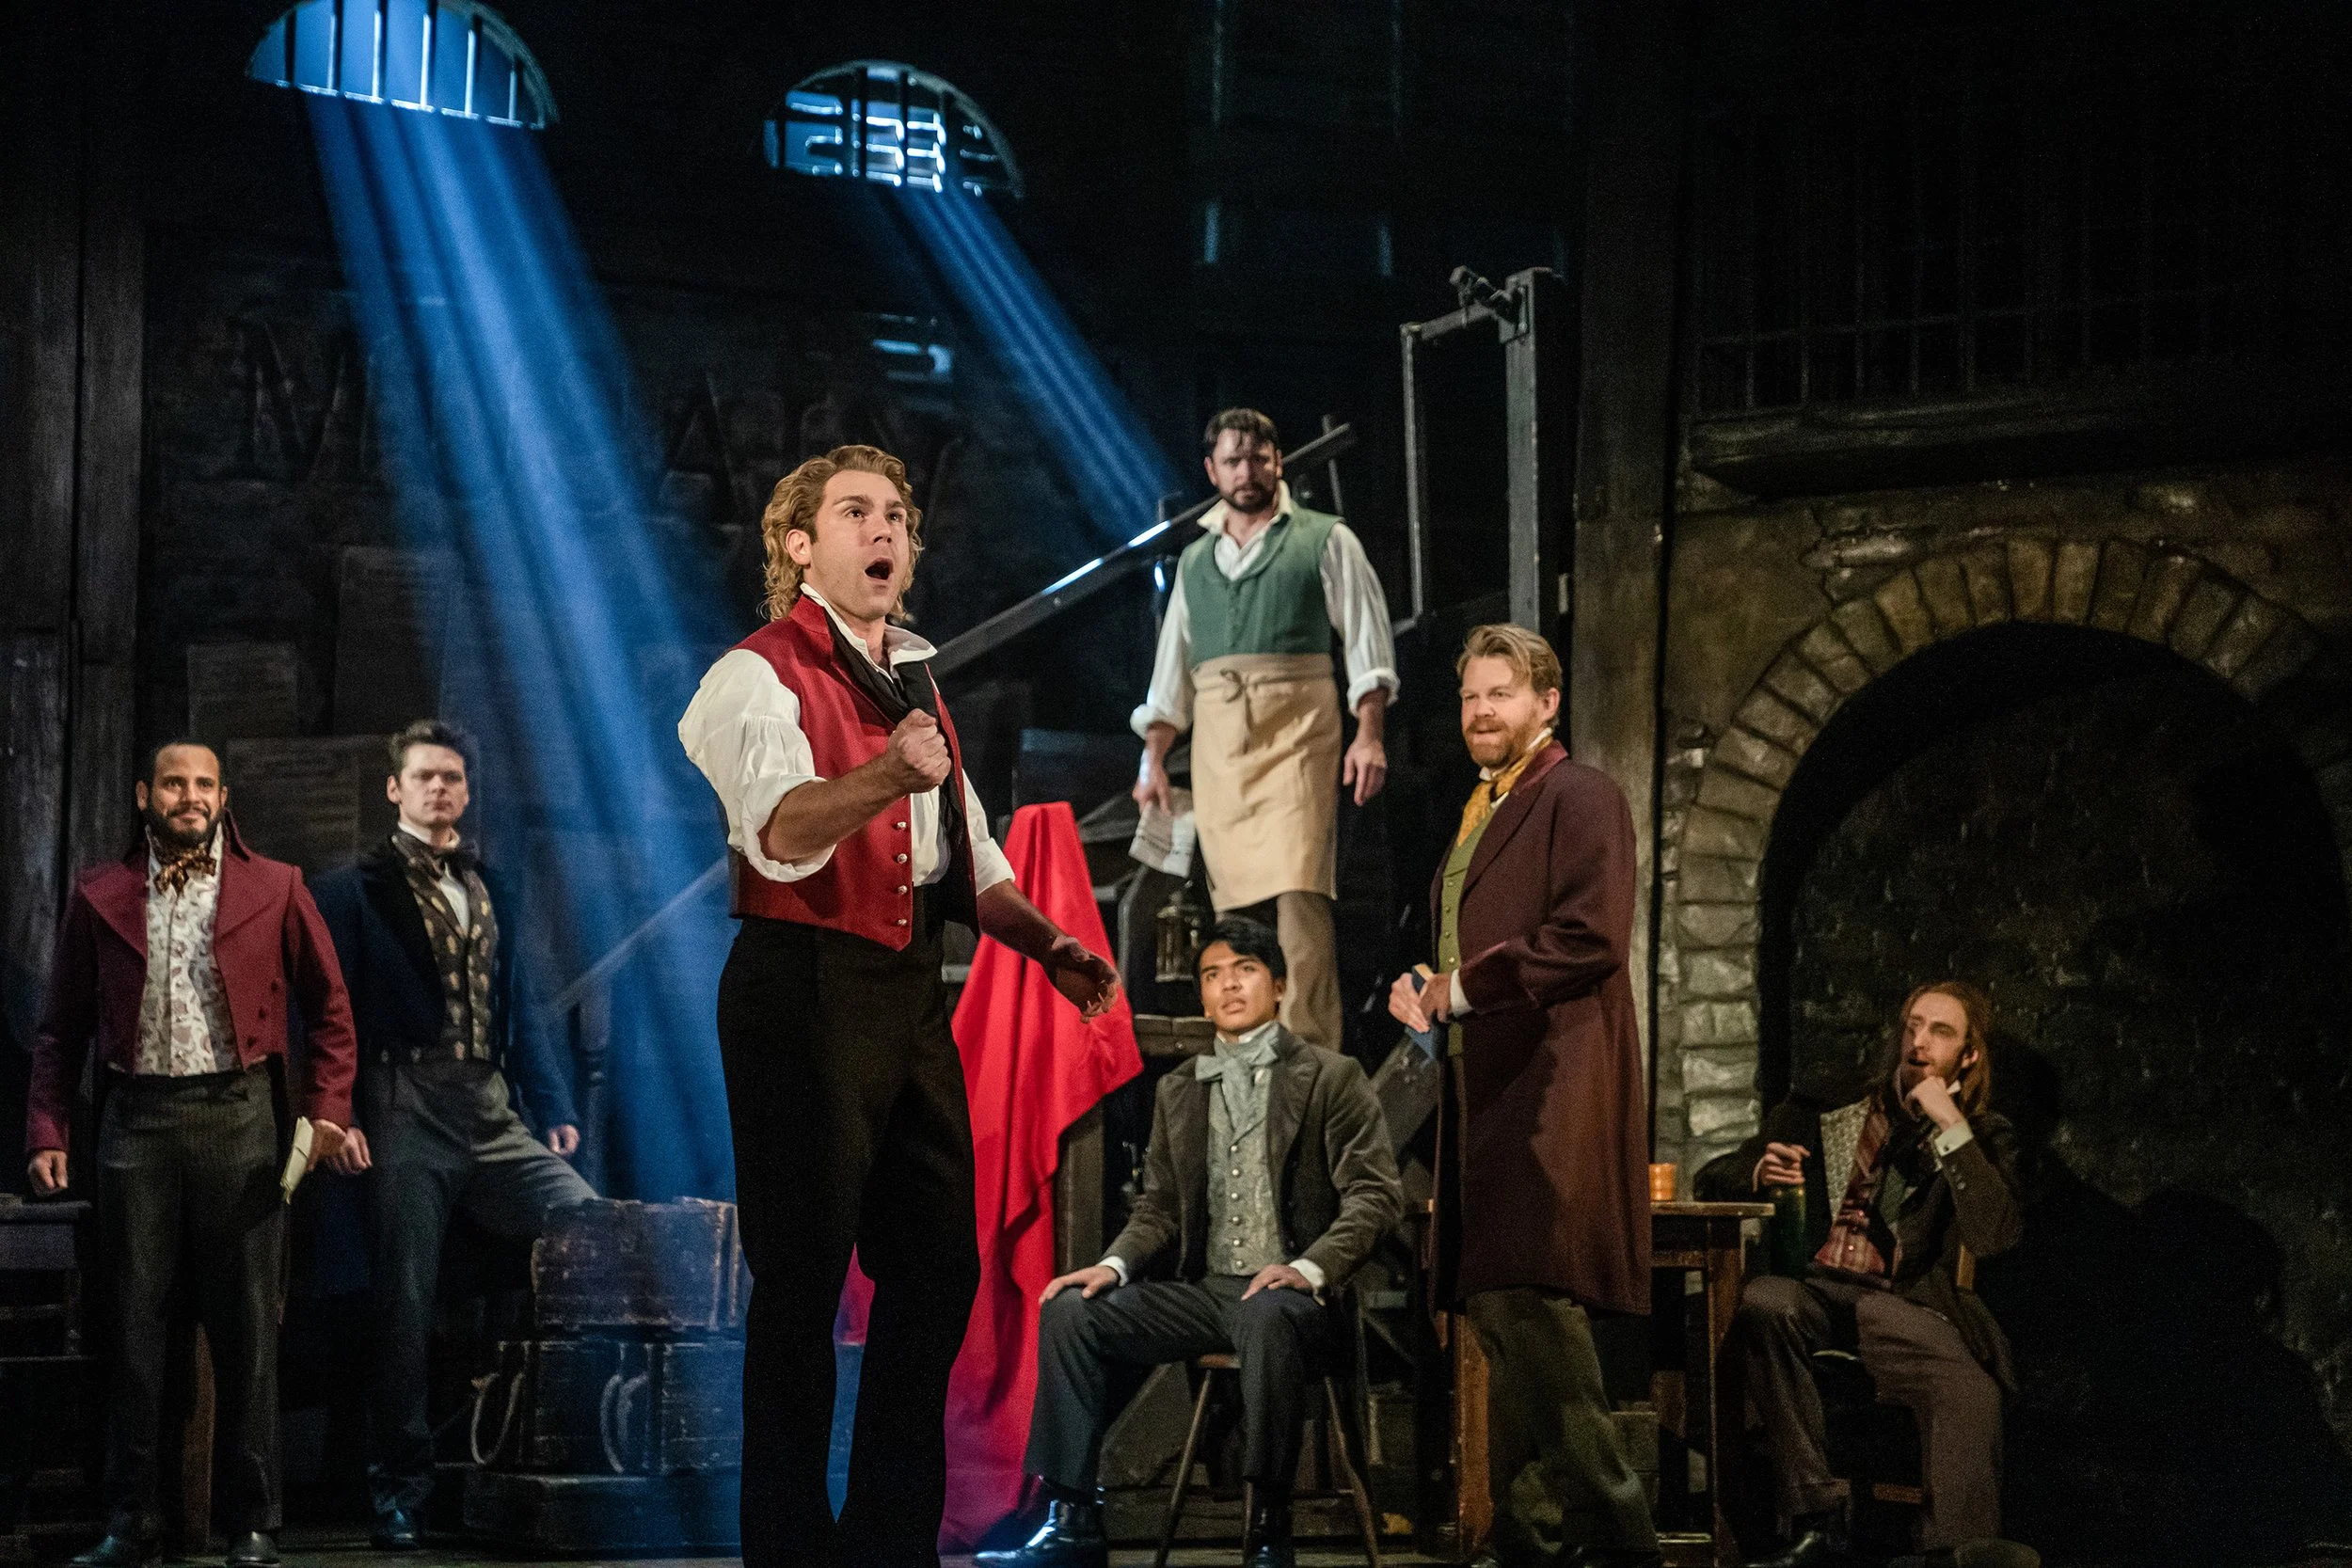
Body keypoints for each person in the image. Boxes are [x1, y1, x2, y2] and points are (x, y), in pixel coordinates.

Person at [678, 444, 1122, 1568]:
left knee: (936, 1267)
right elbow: (781, 833)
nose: (887, 531)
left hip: (907, 994)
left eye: (899, 516)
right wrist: (887, 771)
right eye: (858, 513)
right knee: (803, 1277)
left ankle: (887, 1538)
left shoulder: (916, 681)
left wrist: (1051, 944)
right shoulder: (754, 673)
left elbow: (968, 860)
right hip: (801, 987)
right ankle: (788, 1545)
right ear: (800, 544)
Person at [979, 915, 1404, 1568]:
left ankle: (1270, 1524)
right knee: (1071, 1310)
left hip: (1297, 1303)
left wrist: (1307, 1267)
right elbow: (1159, 1207)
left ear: (1280, 984)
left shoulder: (1331, 1076)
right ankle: (1073, 1520)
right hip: (1208, 1294)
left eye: (1245, 970)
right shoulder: (1179, 1090)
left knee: (1266, 1314)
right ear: (1201, 995)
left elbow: (1375, 1196)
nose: (1229, 985)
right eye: (1213, 974)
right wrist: (1114, 1264)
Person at [25, 742, 358, 1568]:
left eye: (203, 783)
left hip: (239, 1116)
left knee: (246, 1330)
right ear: (146, 793)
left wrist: (324, 1113)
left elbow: (332, 1012)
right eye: (174, 782)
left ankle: (254, 1518)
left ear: (223, 797)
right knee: (131, 1329)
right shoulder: (100, 893)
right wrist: (46, 1130)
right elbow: (59, 1029)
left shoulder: (276, 884)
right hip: (133, 1120)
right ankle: (130, 1516)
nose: (189, 796)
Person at [1388, 625, 1659, 1568]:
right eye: (1468, 698)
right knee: (1502, 1310)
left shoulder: (1578, 795)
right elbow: (1479, 946)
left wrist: (1458, 989)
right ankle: (1527, 1538)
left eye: (1499, 693)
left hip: (1551, 1079)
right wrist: (1431, 989)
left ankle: (1621, 1536)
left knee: (1528, 1302)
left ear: (1548, 703)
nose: (1479, 713)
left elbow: (1590, 935)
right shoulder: (1480, 807)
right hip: (1486, 1078)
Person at [309, 720, 596, 1550]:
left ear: (467, 793)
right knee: (404, 1299)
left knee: (585, 1225)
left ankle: (535, 1442)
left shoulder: (490, 884)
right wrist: (343, 1112)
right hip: (404, 1097)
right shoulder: (351, 889)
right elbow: (330, 1014)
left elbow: (520, 1003)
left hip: (489, 1102)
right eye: (425, 776)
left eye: (453, 778)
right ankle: (398, 1488)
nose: (441, 789)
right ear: (395, 790)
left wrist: (552, 1105)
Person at [1699, 983, 2025, 1568]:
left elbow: (1995, 1234)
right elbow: (1714, 1174)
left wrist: (1949, 1123)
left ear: (1968, 1056)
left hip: (1897, 1304)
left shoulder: (1982, 1136)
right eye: (1913, 1027)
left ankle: (1951, 1553)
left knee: (1971, 1391)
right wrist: (1756, 1171)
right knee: (1765, 1303)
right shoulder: (1824, 1105)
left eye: (1940, 1033)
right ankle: (1816, 1520)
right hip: (1812, 1288)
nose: (1919, 1044)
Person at [1131, 407, 1398, 1051]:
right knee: (1233, 908)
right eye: (1232, 460)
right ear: (1211, 469)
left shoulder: (1324, 539)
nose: (1246, 471)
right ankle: (1244, 1039)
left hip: (1298, 731)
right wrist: (1153, 759)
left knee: (1300, 892)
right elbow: (1172, 678)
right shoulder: (1197, 559)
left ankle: (1309, 1051)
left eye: (1258, 457)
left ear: (1277, 460)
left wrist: (1370, 733)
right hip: (1223, 742)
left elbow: (1367, 646)